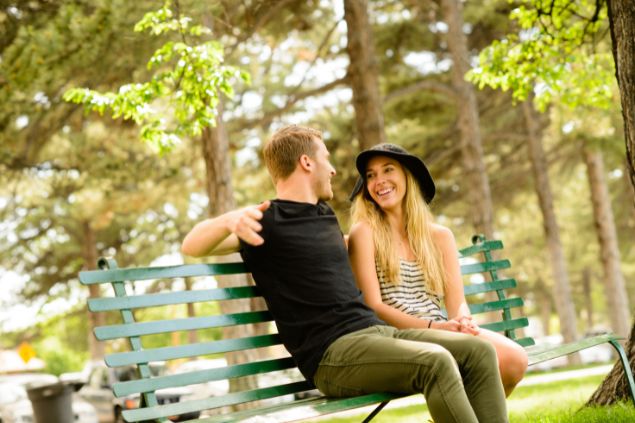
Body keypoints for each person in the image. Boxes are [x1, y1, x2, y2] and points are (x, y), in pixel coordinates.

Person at [181, 125, 509, 423]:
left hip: (376, 336)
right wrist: (228, 220)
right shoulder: (264, 221)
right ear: (307, 163)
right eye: (326, 158)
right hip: (333, 355)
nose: (334, 169)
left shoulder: (323, 216)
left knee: (478, 351)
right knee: (435, 361)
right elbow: (192, 245)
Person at [347, 143, 528, 396]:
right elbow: (374, 306)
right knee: (479, 361)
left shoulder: (440, 236)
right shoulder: (365, 232)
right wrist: (434, 328)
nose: (380, 181)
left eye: (388, 170)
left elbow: (457, 302)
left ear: (407, 177)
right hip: (399, 338)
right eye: (371, 175)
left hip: (442, 329)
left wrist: (462, 320)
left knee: (515, 359)